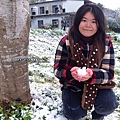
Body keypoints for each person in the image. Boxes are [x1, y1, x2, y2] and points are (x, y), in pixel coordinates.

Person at [54, 3, 118, 120]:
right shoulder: (66, 41)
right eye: (84, 20)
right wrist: (70, 73)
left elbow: (109, 73)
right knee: (74, 114)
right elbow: (58, 69)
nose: (88, 25)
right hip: (73, 85)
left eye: (94, 22)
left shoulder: (106, 43)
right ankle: (71, 106)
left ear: (99, 24)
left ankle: (98, 116)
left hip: (97, 85)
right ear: (78, 21)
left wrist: (92, 74)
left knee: (109, 105)